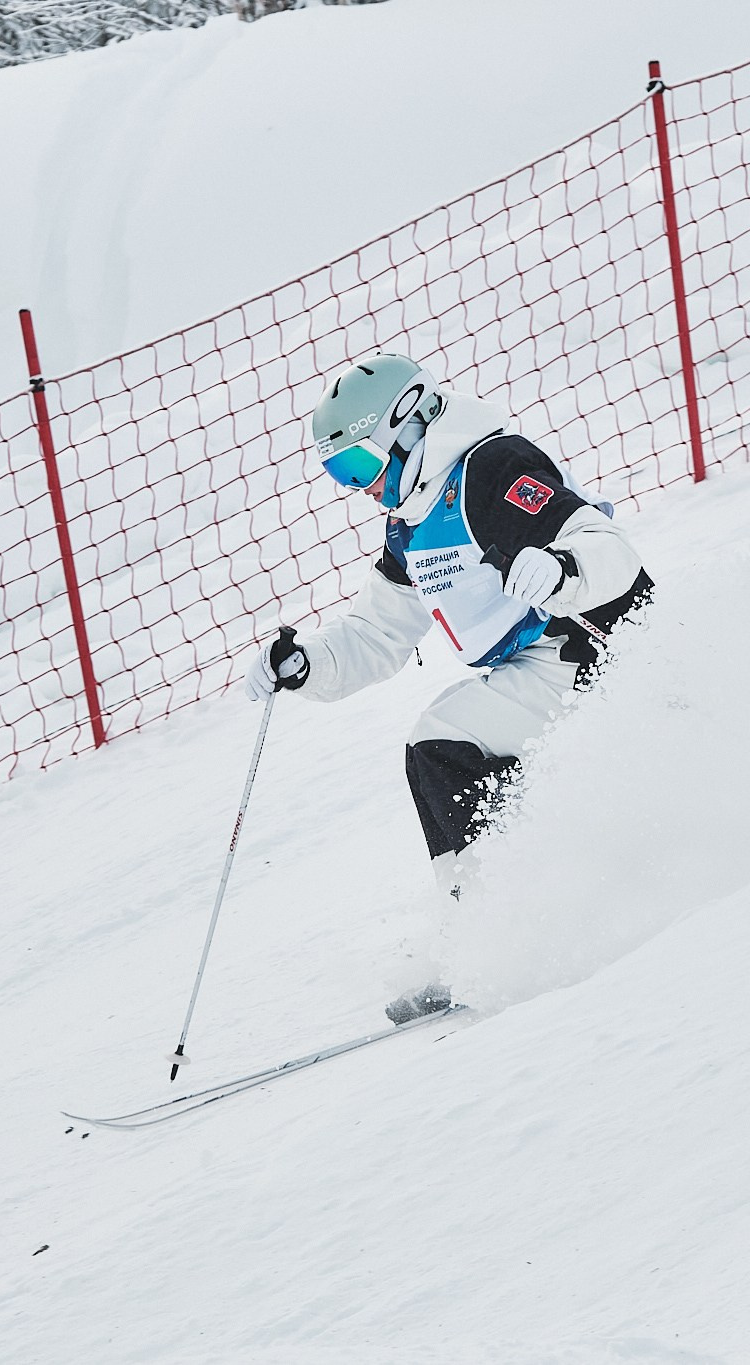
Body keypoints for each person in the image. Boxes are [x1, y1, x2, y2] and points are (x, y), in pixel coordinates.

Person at [242, 351, 654, 1022]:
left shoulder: (492, 470)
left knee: (441, 746)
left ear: (409, 425)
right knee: (447, 747)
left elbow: (609, 547)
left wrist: (562, 567)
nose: (360, 488)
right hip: (544, 665)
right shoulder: (410, 523)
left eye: (361, 466)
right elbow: (377, 632)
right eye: (341, 475)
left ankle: (487, 941)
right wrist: (307, 663)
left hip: (605, 648)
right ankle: (505, 927)